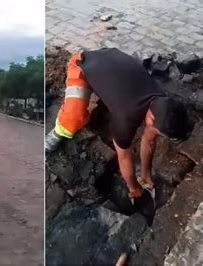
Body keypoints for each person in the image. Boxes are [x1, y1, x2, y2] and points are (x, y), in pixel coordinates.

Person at [45, 48, 193, 199]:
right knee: (73, 119)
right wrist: (133, 187)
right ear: (150, 118)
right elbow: (123, 157)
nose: (156, 134)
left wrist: (145, 174)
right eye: (159, 132)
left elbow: (148, 140)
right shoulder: (126, 118)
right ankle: (55, 135)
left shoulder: (162, 101)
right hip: (82, 64)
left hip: (112, 60)